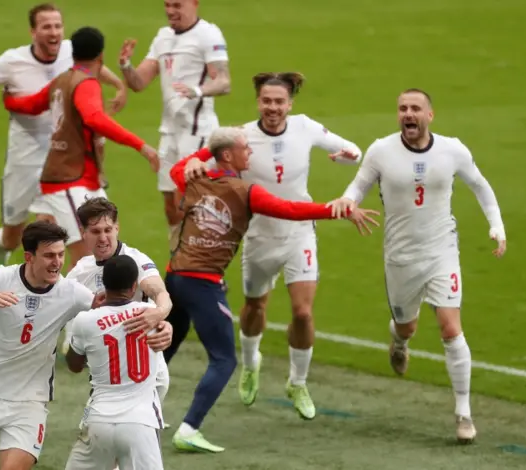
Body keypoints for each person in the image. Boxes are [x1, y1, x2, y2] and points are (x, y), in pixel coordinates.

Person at [162, 127, 380, 452]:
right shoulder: (245, 191)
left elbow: (176, 170)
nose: (250, 153)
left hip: (174, 278)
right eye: (244, 149)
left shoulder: (192, 180)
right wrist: (337, 209)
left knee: (165, 349)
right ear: (228, 156)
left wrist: (202, 156)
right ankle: (189, 428)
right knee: (223, 361)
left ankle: (129, 408)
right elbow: (290, 210)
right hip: (203, 283)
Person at [335, 88, 507, 444]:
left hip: (442, 251)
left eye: (415, 108)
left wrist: (497, 225)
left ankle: (463, 413)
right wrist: (347, 202)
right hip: (400, 257)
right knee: (407, 325)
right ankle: (398, 341)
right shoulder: (381, 150)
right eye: (402, 108)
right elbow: (357, 186)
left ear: (430, 115)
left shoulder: (453, 149)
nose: (407, 114)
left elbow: (480, 185)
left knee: (449, 329)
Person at [233, 72, 366, 420]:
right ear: (258, 102)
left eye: (279, 101)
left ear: (290, 104)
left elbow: (354, 151)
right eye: (267, 100)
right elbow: (216, 163)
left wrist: (345, 156)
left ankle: (298, 381)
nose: (273, 107)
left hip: (299, 233)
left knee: (303, 312)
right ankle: (250, 364)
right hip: (259, 235)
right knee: (254, 307)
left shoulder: (305, 127)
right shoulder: (242, 136)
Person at [0, 3, 127, 270]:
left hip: (61, 161)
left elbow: (93, 69)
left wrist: (117, 85)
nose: (54, 32)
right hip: (24, 158)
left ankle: (51, 291)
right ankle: (2, 253)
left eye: (58, 26)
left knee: (52, 228)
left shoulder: (71, 51)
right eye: (46, 27)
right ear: (33, 31)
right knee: (13, 235)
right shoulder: (12, 61)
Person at [0, 221, 101, 470]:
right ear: (29, 256)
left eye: (60, 254)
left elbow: (113, 313)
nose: (57, 262)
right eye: (48, 255)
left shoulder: (71, 292)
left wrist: (158, 319)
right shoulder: (2, 277)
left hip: (29, 402)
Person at [1, 26, 160, 272]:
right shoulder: (86, 84)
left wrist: (8, 99)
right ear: (100, 56)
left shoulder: (62, 80)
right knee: (89, 255)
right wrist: (141, 146)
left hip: (81, 179)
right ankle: (71, 306)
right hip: (69, 178)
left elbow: (32, 105)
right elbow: (94, 118)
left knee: (105, 244)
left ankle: (96, 306)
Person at [117, 0, 231, 246]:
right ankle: (177, 263)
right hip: (169, 133)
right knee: (171, 208)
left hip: (198, 131)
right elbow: (139, 83)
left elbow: (223, 81)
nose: (170, 11)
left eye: (177, 5)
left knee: (188, 202)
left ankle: (200, 270)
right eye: (167, 5)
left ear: (194, 4)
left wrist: (198, 91)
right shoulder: (163, 37)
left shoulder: (208, 34)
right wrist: (126, 66)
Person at [63, 197, 172, 422]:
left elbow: (160, 292)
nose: (103, 238)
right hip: (108, 375)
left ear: (117, 227)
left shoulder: (136, 261)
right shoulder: (79, 273)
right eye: (95, 231)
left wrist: (160, 314)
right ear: (83, 232)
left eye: (108, 230)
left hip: (145, 377)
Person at [64, 255, 169, 470]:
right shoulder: (150, 316)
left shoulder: (85, 320)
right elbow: (163, 321)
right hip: (140, 423)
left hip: (98, 421)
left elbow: (73, 365)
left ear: (104, 284)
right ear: (133, 287)